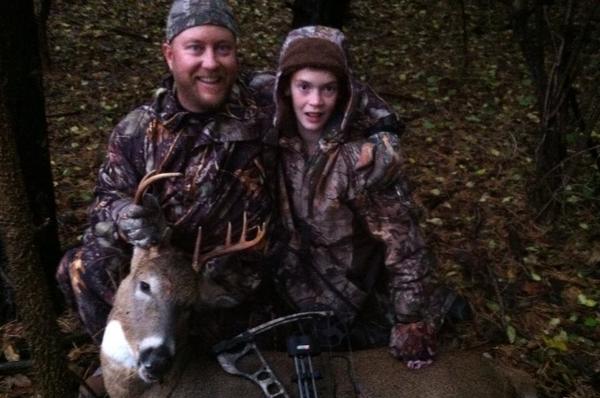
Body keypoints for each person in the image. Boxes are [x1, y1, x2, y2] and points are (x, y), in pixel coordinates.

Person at [56, 1, 401, 348]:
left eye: (223, 48)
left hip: (246, 276)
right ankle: (132, 358)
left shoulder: (265, 96)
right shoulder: (137, 130)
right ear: (169, 54)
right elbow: (105, 200)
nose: (211, 63)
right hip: (168, 272)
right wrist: (123, 215)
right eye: (195, 48)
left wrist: (384, 134)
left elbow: (337, 87)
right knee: (84, 266)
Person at [265, 26, 454, 369]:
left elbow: (405, 245)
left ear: (344, 93)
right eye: (303, 87)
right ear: (285, 88)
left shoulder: (363, 158)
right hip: (285, 295)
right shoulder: (267, 139)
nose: (315, 102)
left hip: (349, 302)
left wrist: (410, 321)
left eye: (329, 89)